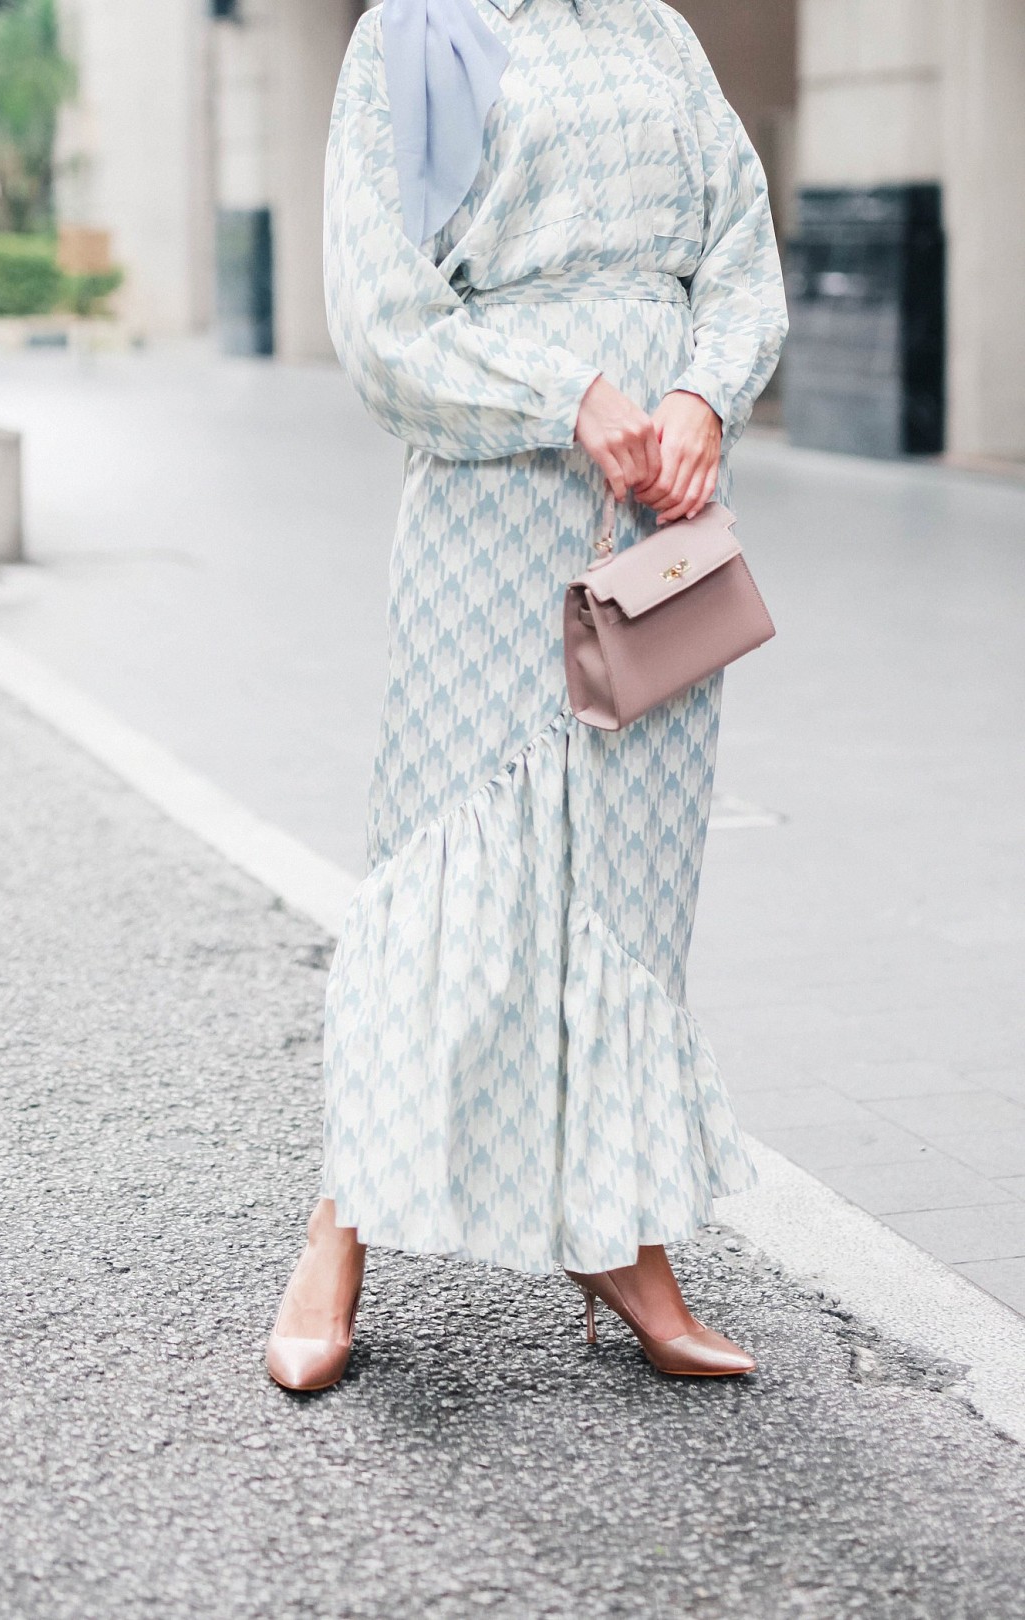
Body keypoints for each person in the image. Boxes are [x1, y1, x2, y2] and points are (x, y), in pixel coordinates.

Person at [266, 0, 788, 1393]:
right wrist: (571, 393)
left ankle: (620, 1235)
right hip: (493, 514)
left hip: (662, 522)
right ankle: (346, 1220)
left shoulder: (655, 31)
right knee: (445, 867)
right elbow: (382, 322)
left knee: (631, 886)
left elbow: (738, 247)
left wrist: (701, 400)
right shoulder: (418, 39)